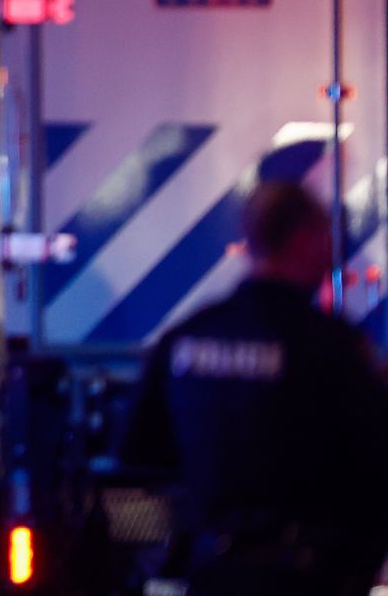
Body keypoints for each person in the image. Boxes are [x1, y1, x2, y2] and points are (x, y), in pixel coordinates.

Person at [121, 181, 388, 595]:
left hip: (212, 571)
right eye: (324, 239)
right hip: (305, 576)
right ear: (301, 240)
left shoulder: (188, 335)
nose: (330, 254)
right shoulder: (330, 345)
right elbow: (373, 460)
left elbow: (139, 450)